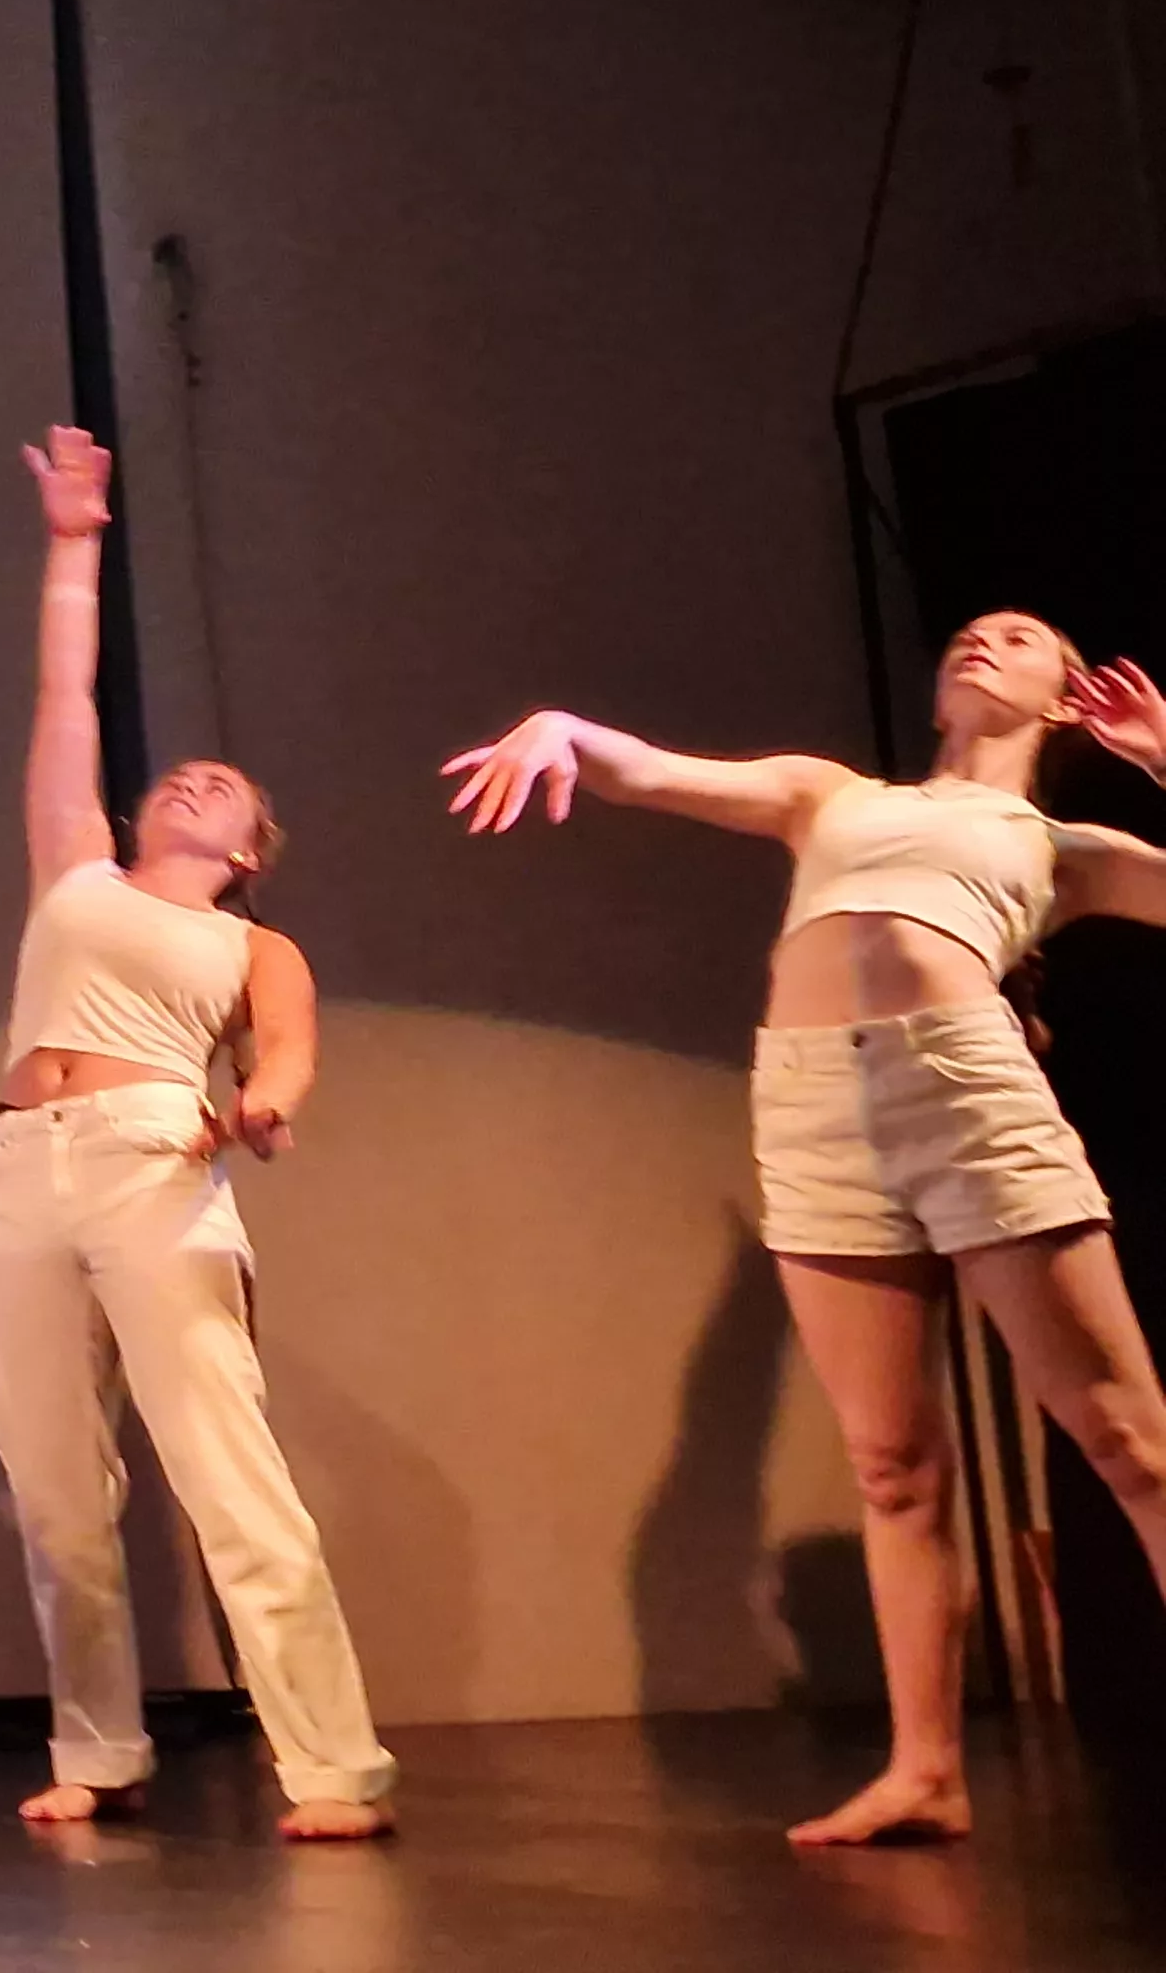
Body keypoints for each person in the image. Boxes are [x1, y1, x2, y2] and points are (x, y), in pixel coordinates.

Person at [450, 625, 1166, 1846]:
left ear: (1065, 701)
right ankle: (925, 1770)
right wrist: (563, 729)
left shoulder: (1062, 845)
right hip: (807, 1101)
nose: (984, 640)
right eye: (965, 634)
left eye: (1023, 638)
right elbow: (654, 769)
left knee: (1128, 1436)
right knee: (890, 1462)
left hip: (965, 1084)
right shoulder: (829, 791)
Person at [0, 425, 395, 1842]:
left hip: (158, 1155)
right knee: (51, 1489)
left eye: (223, 790)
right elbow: (62, 693)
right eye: (182, 777)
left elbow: (286, 1054)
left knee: (229, 1473)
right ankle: (97, 1752)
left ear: (252, 849)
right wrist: (73, 539)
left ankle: (335, 1768)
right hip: (19, 1170)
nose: (192, 782)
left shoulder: (249, 942)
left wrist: (262, 1107)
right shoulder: (75, 869)